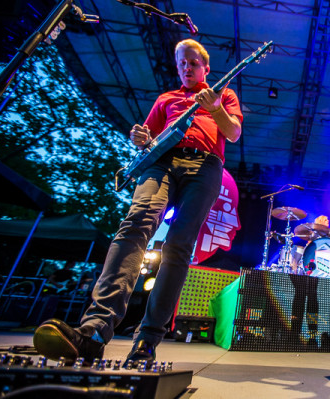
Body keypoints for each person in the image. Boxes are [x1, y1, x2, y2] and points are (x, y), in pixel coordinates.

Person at [33, 39, 242, 365]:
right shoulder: (166, 99)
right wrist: (142, 139)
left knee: (179, 245)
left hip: (205, 167)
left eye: (192, 63)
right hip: (161, 164)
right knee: (136, 222)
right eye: (181, 64)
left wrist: (214, 107)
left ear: (206, 67)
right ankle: (95, 329)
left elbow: (233, 134)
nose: (186, 68)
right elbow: (149, 141)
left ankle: (147, 340)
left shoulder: (223, 94)